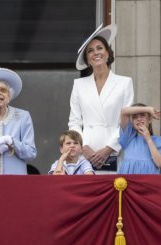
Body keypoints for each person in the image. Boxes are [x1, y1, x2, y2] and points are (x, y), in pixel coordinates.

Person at [68, 24, 134, 174]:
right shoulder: (79, 85)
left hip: (115, 152)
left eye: (99, 48)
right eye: (90, 51)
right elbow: (74, 121)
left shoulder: (125, 82)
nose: (96, 53)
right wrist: (83, 147)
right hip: (87, 153)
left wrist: (108, 149)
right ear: (87, 59)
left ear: (108, 53)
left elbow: (126, 122)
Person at [117, 103, 161, 174]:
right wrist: (148, 109)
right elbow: (124, 112)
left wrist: (148, 139)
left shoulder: (158, 140)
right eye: (135, 117)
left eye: (142, 115)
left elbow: (160, 163)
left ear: (149, 119)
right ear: (132, 122)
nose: (139, 119)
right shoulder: (128, 138)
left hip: (148, 180)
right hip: (129, 180)